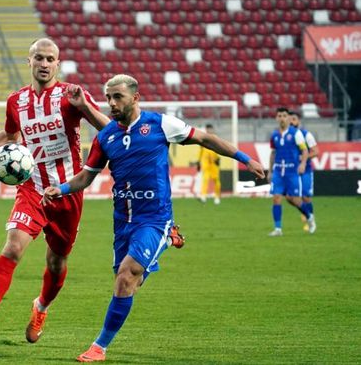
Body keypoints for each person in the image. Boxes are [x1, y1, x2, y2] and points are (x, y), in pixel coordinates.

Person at [41, 74, 265, 363]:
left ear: (135, 98)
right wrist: (59, 189)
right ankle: (169, 239)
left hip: (154, 218)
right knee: (127, 282)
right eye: (108, 97)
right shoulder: (105, 137)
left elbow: (206, 139)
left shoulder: (160, 124)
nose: (111, 103)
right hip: (123, 221)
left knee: (126, 276)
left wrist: (246, 160)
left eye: (117, 97)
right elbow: (86, 177)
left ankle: (99, 346)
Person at [0, 38, 110, 346]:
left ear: (57, 63)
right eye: (40, 58)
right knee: (13, 247)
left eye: (50, 59)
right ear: (29, 61)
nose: (45, 64)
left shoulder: (71, 95)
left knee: (56, 261)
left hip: (66, 191)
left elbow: (109, 129)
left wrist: (85, 107)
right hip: (32, 188)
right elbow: (10, 135)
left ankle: (41, 308)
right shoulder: (16, 101)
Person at [267, 107, 316, 236]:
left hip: (292, 172)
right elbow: (273, 153)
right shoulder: (274, 135)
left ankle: (309, 217)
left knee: (294, 200)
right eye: (280, 115)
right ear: (276, 118)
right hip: (278, 171)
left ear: (288, 118)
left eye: (284, 115)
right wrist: (270, 171)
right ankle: (278, 229)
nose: (282, 118)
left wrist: (303, 164)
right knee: (276, 198)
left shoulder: (296, 133)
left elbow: (305, 150)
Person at [289, 110, 319, 231]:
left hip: (305, 170)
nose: (291, 122)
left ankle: (310, 221)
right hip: (291, 172)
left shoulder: (306, 134)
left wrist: (303, 158)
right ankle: (307, 215)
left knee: (306, 197)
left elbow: (316, 151)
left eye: (294, 119)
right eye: (289, 119)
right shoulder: (286, 135)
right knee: (290, 197)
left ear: (298, 121)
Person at [198, 124, 222, 204]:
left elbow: (220, 149)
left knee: (216, 180)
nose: (209, 130)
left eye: (210, 129)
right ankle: (203, 196)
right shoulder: (203, 138)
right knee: (205, 179)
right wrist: (198, 161)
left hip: (214, 163)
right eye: (208, 129)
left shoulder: (215, 138)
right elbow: (201, 151)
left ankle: (217, 197)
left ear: (212, 129)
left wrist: (218, 158)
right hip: (205, 163)